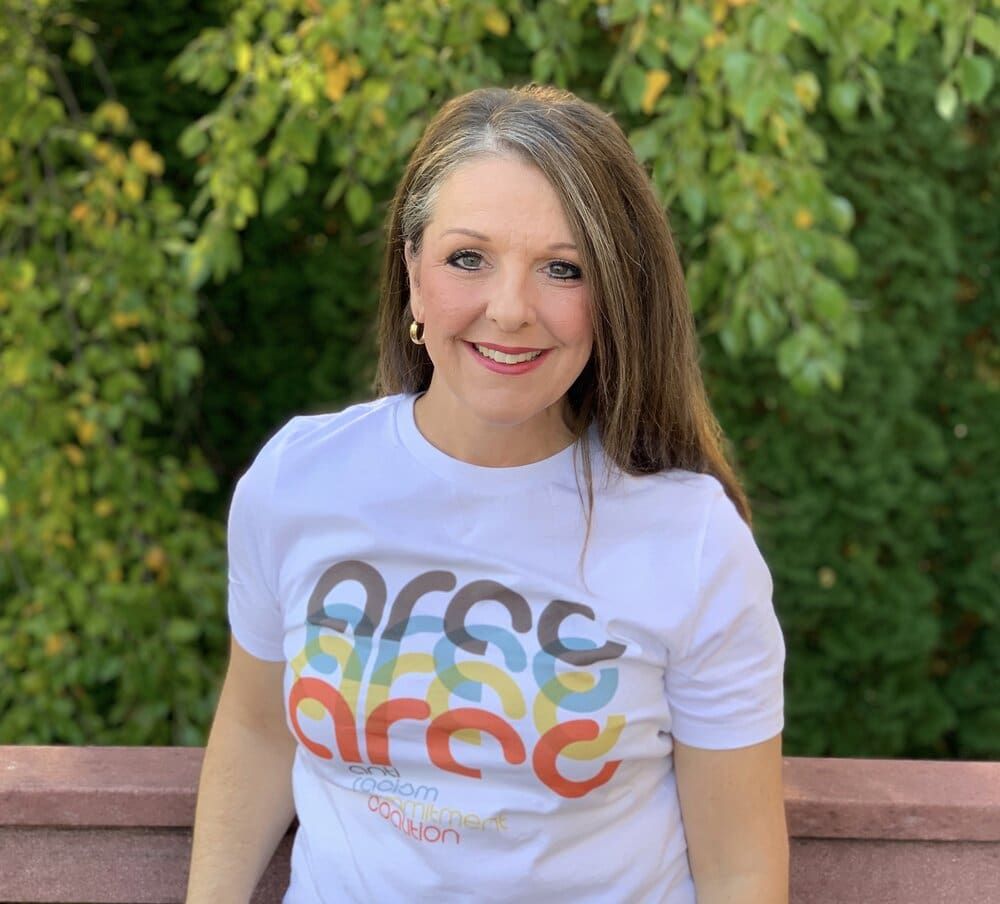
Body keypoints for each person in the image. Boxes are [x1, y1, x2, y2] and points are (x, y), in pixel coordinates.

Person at [186, 85, 788, 904]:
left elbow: (740, 870)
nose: (510, 310)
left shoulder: (690, 538)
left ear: (612, 297)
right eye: (468, 257)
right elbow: (258, 733)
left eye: (562, 268)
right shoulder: (300, 481)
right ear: (413, 272)